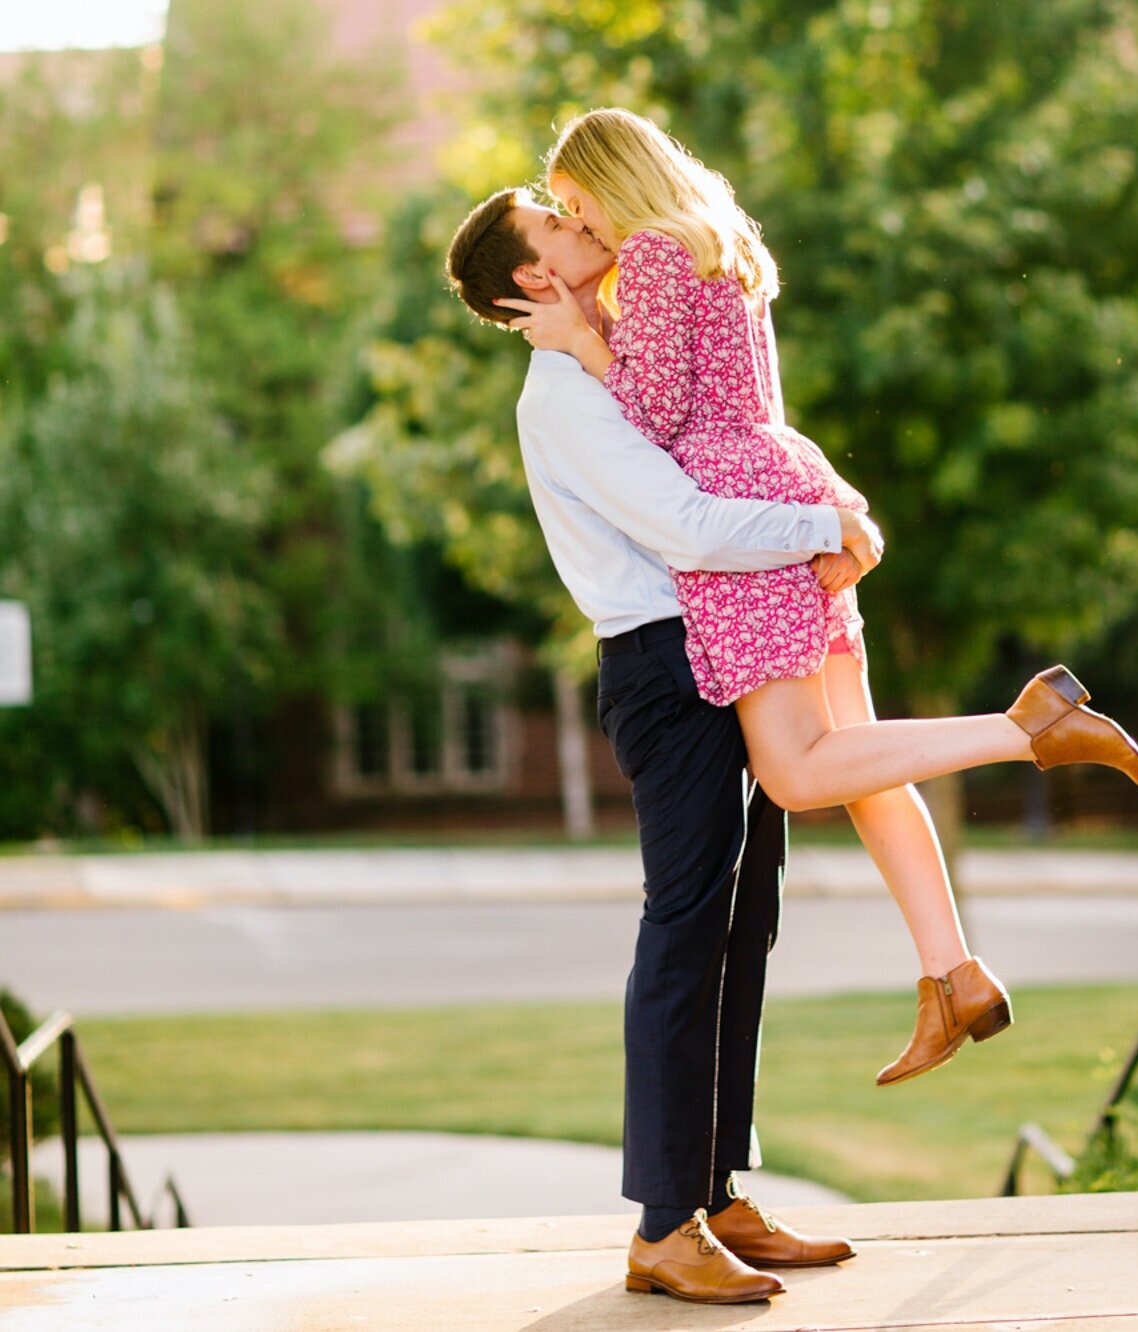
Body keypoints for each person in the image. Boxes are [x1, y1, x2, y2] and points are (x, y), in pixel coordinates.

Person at [494, 107, 1138, 1099]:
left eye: (581, 204)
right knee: (863, 757)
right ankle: (954, 976)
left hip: (740, 518)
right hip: (786, 479)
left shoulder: (659, 256)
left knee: (800, 770)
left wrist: (585, 341)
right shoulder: (722, 239)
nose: (581, 224)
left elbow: (652, 413)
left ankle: (1029, 728)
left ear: (617, 181)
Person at [448, 185, 870, 1305]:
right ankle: (660, 1225)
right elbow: (685, 521)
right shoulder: (562, 397)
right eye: (559, 225)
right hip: (663, 666)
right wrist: (830, 524)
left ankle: (721, 1192)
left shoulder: (606, 355)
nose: (586, 227)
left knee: (747, 920)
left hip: (733, 644)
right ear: (533, 278)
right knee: (685, 926)